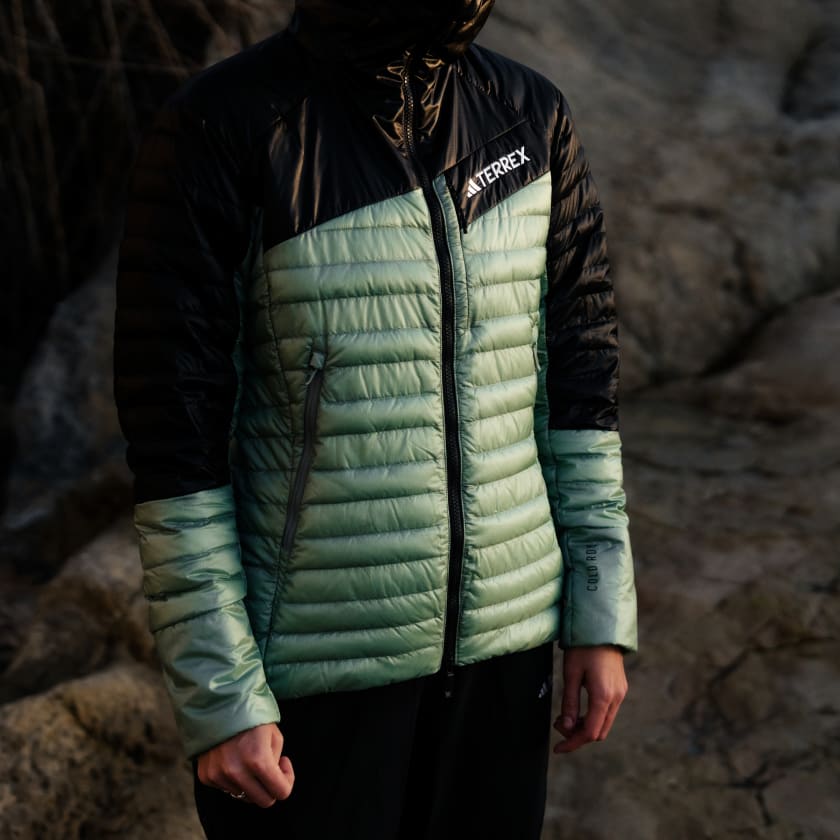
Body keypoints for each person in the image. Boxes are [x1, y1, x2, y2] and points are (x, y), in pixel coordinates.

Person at [113, 1, 638, 837]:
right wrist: (220, 692)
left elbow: (580, 377)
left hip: (506, 659)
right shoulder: (225, 123)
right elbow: (174, 434)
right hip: (311, 680)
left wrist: (597, 611)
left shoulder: (529, 113)